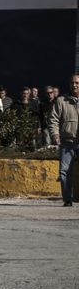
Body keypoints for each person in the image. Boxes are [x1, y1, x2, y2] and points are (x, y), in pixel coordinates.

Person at [49, 75, 79, 206]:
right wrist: (55, 135)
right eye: (72, 83)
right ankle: (67, 199)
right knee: (64, 172)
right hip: (67, 142)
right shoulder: (61, 101)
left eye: (77, 83)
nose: (75, 85)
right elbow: (53, 119)